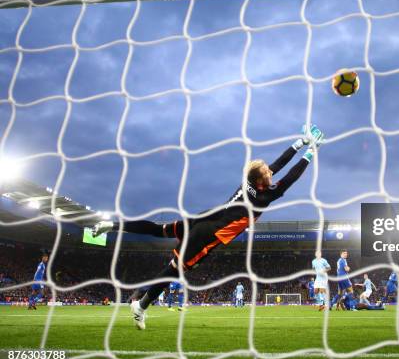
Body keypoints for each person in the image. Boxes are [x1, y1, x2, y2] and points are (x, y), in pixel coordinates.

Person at [93, 125, 324, 330]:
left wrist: (300, 143)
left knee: (158, 229)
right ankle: (141, 306)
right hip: (208, 235)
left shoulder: (248, 182)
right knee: (175, 270)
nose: (271, 174)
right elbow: (290, 177)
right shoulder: (263, 198)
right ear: (261, 180)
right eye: (267, 174)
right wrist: (311, 153)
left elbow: (277, 165)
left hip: (203, 218)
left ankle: (111, 225)